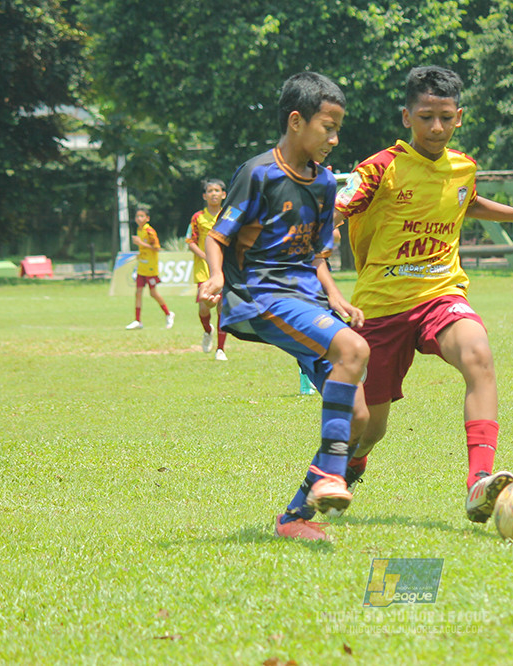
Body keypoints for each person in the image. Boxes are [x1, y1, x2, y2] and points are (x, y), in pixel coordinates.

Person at [332, 65, 513, 524]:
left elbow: (467, 200)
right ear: (406, 116)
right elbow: (340, 207)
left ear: (459, 116)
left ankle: (478, 484)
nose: (436, 127)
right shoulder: (379, 169)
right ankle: (354, 461)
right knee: (371, 427)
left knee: (477, 354)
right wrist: (323, 231)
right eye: (426, 117)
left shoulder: (464, 166)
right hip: (380, 309)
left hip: (439, 293)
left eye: (445, 116)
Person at [199, 71, 370, 541]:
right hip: (262, 294)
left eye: (338, 129)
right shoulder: (259, 174)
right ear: (296, 121)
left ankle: (294, 518)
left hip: (305, 297)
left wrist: (335, 295)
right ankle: (334, 475)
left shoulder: (325, 185)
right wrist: (215, 276)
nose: (334, 139)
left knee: (359, 416)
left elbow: (315, 256)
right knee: (353, 352)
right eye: (327, 127)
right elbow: (218, 237)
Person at [186, 178, 229, 360]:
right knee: (204, 308)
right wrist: (206, 256)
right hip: (203, 269)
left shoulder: (228, 215)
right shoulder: (198, 217)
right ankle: (207, 330)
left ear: (224, 194)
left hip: (224, 268)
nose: (213, 194)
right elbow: (190, 241)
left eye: (217, 190)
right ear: (204, 196)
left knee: (222, 307)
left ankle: (221, 349)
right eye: (210, 191)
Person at [126, 207, 175, 330]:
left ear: (147, 218)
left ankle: (168, 314)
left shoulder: (150, 231)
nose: (139, 218)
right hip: (142, 266)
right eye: (137, 216)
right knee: (138, 292)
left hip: (151, 268)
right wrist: (140, 253)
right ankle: (138, 320)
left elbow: (157, 248)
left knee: (153, 293)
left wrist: (141, 244)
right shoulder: (139, 230)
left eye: (142, 216)